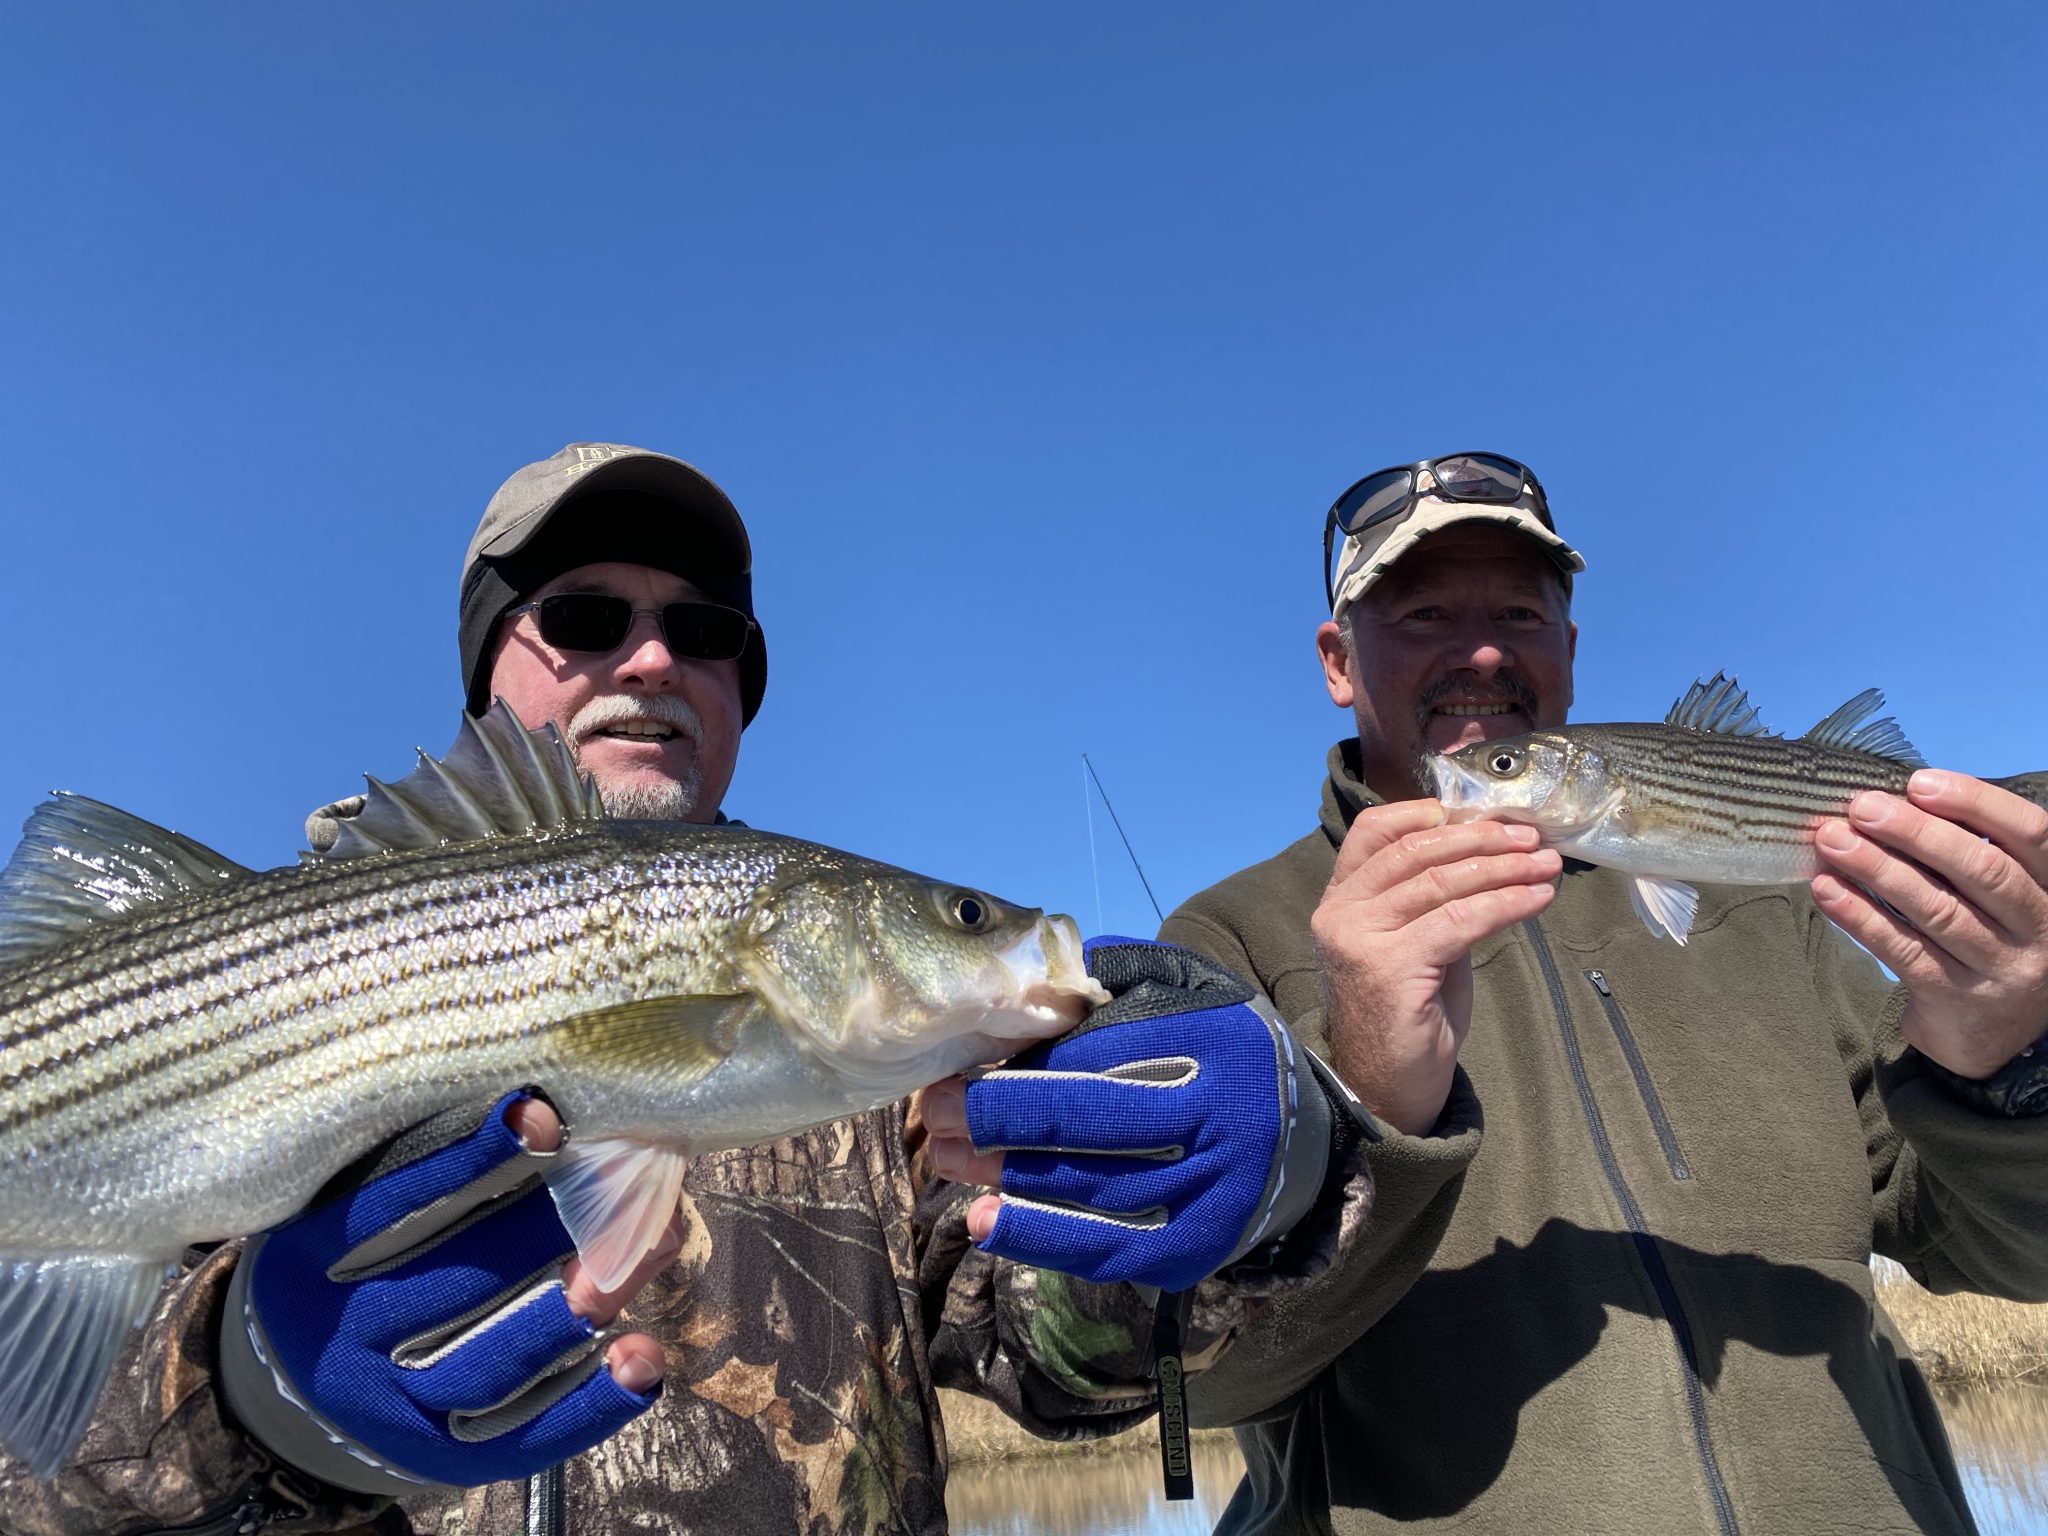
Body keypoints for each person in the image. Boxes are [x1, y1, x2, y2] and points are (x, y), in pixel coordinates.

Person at [0, 442, 1362, 1535]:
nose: (650, 658)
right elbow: (36, 1475)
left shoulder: (897, 1093)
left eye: (703, 629)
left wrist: (1266, 1182)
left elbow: (1067, 1373)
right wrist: (249, 1406)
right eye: (586, 618)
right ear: (488, 673)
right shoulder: (276, 941)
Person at [1152, 451, 2048, 1534]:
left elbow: (2004, 1256)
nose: (1480, 650)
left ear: (1567, 650)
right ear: (1337, 660)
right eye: (1424, 610)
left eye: (1520, 615)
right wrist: (1365, 1098)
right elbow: (1195, 1386)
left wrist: (2005, 1063)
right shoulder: (1222, 938)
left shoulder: (1775, 907)